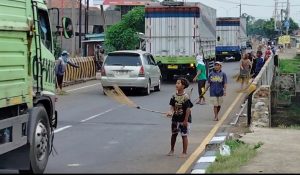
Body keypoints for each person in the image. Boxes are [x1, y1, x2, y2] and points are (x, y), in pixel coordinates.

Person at [166, 77, 193, 158]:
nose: (176, 84)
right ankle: (172, 150)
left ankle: (184, 152)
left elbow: (188, 109)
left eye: (178, 83)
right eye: (176, 83)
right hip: (175, 119)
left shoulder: (186, 97)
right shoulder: (173, 95)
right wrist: (170, 112)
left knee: (184, 135)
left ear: (183, 86)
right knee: (174, 134)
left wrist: (185, 120)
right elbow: (172, 106)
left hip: (183, 119)